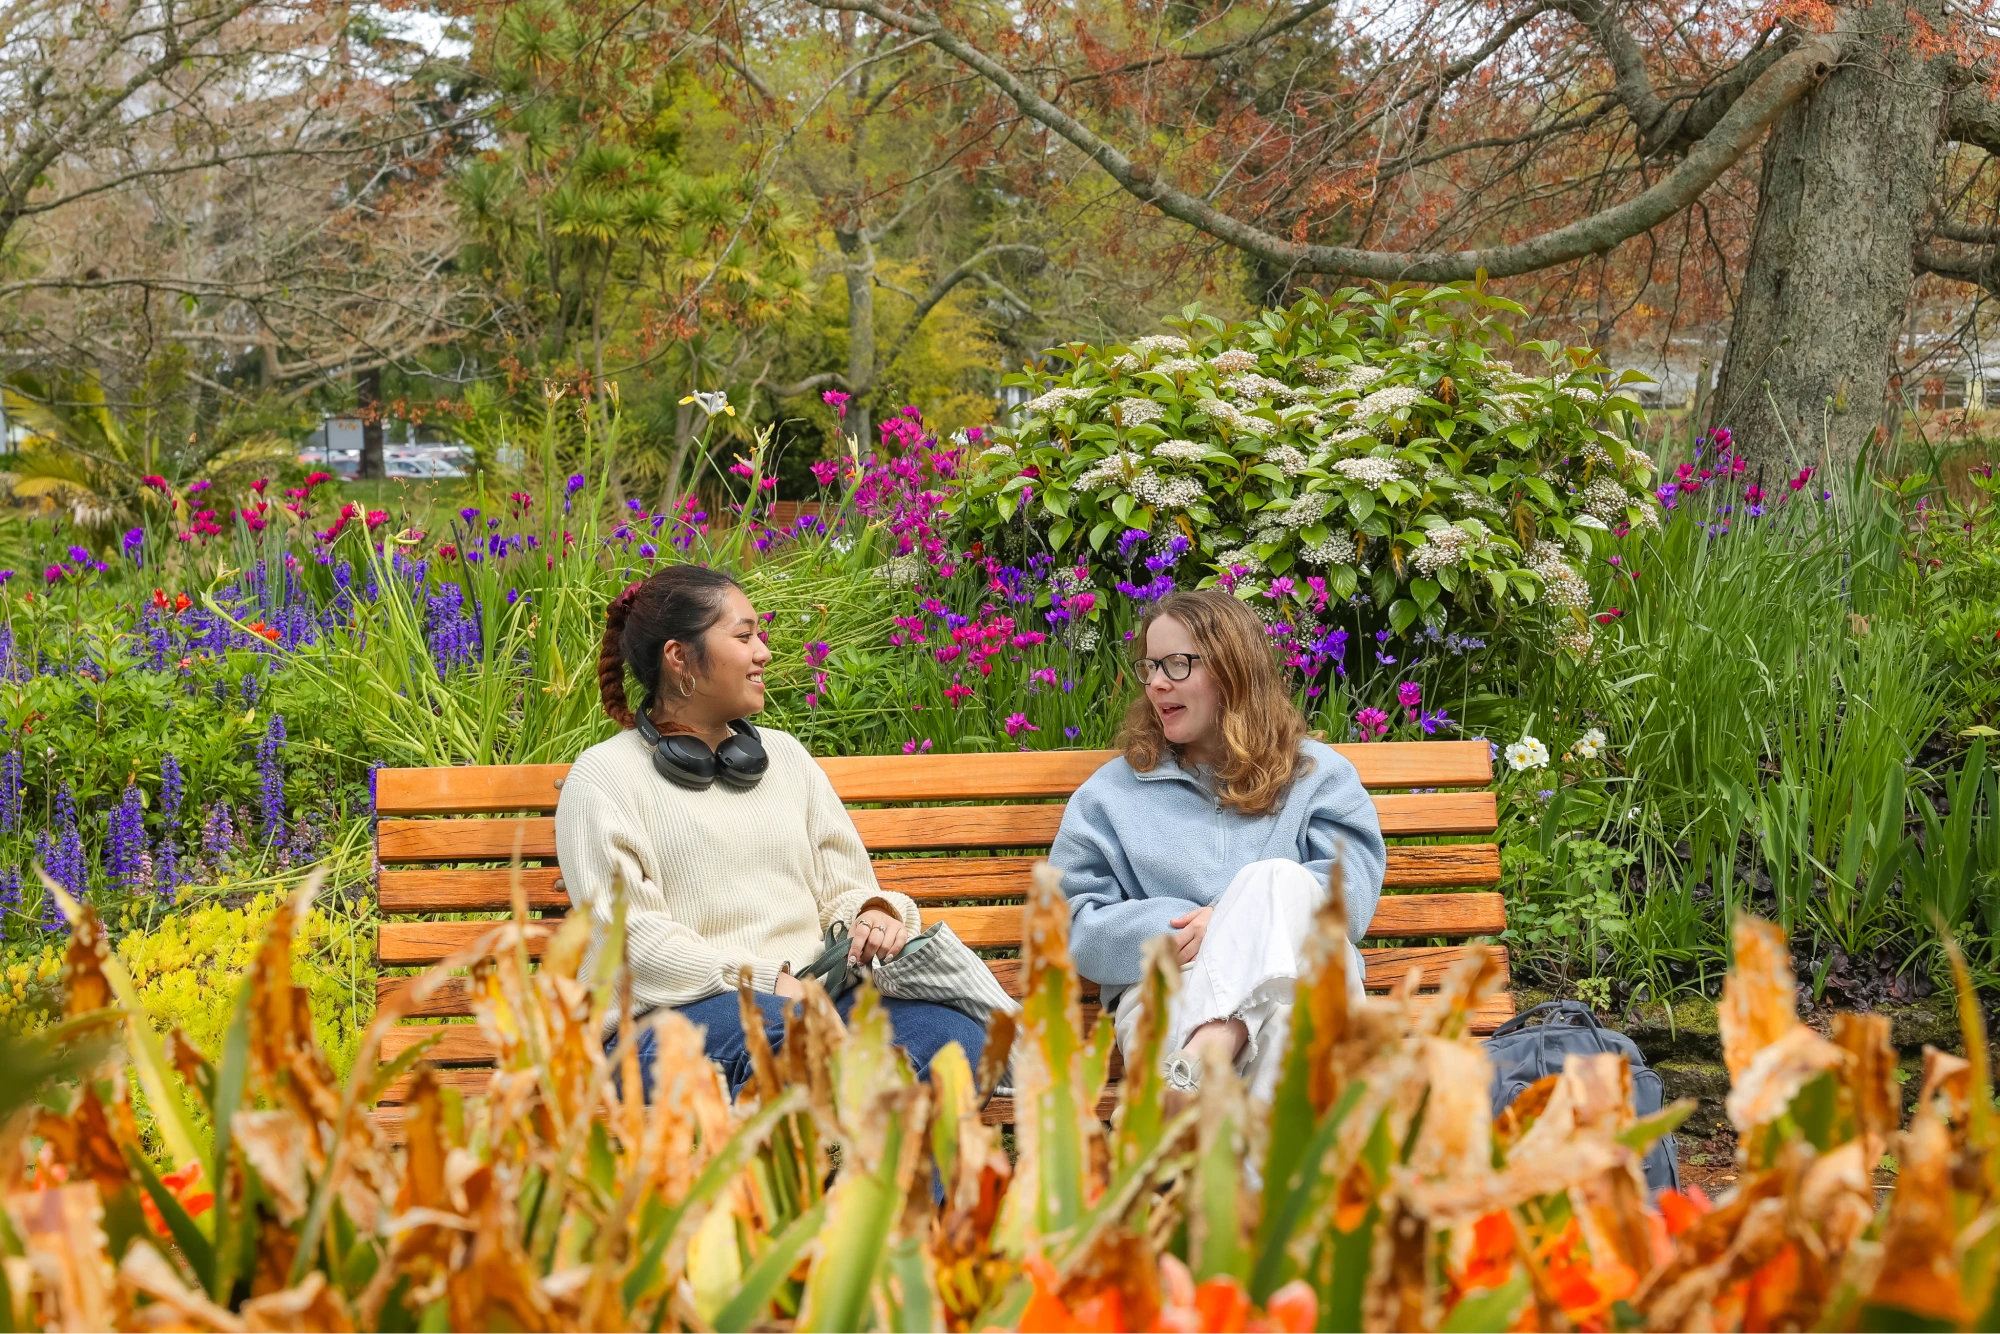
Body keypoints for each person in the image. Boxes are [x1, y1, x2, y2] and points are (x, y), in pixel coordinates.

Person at [554, 564, 985, 1097]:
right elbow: (630, 942)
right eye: (744, 635)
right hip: (666, 1022)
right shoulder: (603, 779)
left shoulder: (785, 758)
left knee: (954, 1043)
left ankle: (872, 1183)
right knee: (793, 1044)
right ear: (679, 658)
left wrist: (873, 915)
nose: (764, 652)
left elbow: (845, 887)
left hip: (810, 1001)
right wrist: (766, 980)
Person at [1049, 588, 1387, 1100]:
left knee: (1278, 887)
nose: (1158, 683)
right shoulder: (1108, 795)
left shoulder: (1319, 776)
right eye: (1150, 667)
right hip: (1170, 992)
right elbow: (1072, 924)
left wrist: (1243, 914)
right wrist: (1200, 928)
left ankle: (1196, 1073)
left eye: (1179, 664)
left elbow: (1350, 902)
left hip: (1303, 983)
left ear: (1233, 669)